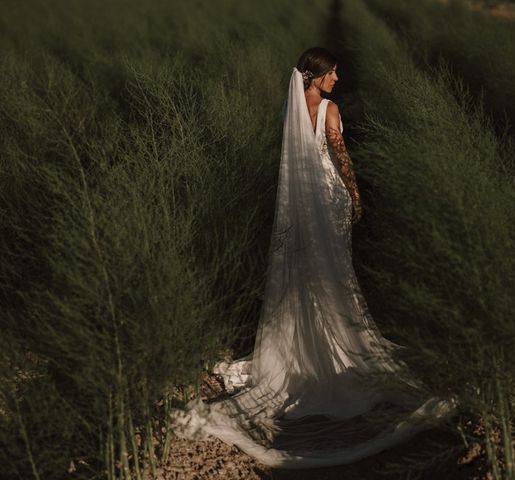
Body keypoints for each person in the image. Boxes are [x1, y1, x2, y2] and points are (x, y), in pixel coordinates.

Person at [171, 47, 454, 469]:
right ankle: (333, 339)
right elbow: (340, 156)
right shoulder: (329, 109)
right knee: (335, 271)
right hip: (328, 195)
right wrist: (355, 195)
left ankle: (302, 339)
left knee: (303, 270)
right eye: (332, 73)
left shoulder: (291, 107)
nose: (337, 79)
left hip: (300, 201)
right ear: (315, 76)